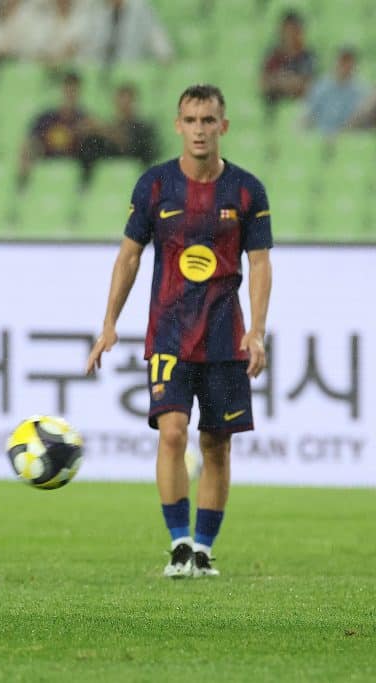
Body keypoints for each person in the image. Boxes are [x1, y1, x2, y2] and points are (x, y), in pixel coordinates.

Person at [85, 85, 273, 579]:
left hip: (223, 336)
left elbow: (260, 265)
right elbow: (129, 256)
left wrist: (257, 330)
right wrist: (109, 323)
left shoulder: (247, 190)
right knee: (171, 434)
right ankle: (179, 546)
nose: (199, 129)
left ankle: (205, 549)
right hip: (168, 330)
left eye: (208, 120)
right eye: (190, 119)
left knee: (216, 443)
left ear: (223, 127)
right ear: (177, 125)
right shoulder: (154, 185)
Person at [76, 82, 157, 187]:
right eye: (121, 101)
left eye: (127, 101)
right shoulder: (110, 126)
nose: (123, 106)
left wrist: (102, 129)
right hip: (106, 175)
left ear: (134, 103)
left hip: (133, 176)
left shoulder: (143, 127)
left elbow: (130, 146)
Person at [17, 70, 88, 190]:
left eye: (74, 90)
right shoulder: (46, 118)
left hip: (73, 176)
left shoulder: (86, 120)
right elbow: (28, 144)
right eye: (68, 89)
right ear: (62, 90)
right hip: (45, 171)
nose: (70, 94)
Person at [260, 10, 316, 122]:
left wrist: (280, 81)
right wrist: (289, 82)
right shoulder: (273, 55)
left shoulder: (308, 56)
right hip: (273, 109)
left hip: (300, 111)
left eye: (294, 30)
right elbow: (264, 83)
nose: (290, 35)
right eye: (287, 30)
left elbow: (309, 86)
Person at [303, 46, 368, 136]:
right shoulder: (321, 86)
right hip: (320, 136)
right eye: (343, 61)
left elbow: (362, 120)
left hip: (349, 138)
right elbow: (309, 114)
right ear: (335, 62)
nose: (346, 65)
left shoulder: (362, 91)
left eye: (349, 61)